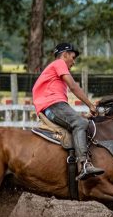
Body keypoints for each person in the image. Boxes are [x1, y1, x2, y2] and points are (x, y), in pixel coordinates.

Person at [32, 42, 104, 180]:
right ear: (64, 55)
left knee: (81, 121)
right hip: (53, 106)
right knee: (80, 124)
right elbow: (73, 86)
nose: (74, 62)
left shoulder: (54, 71)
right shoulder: (59, 64)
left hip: (53, 106)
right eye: (72, 57)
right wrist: (90, 105)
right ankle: (84, 164)